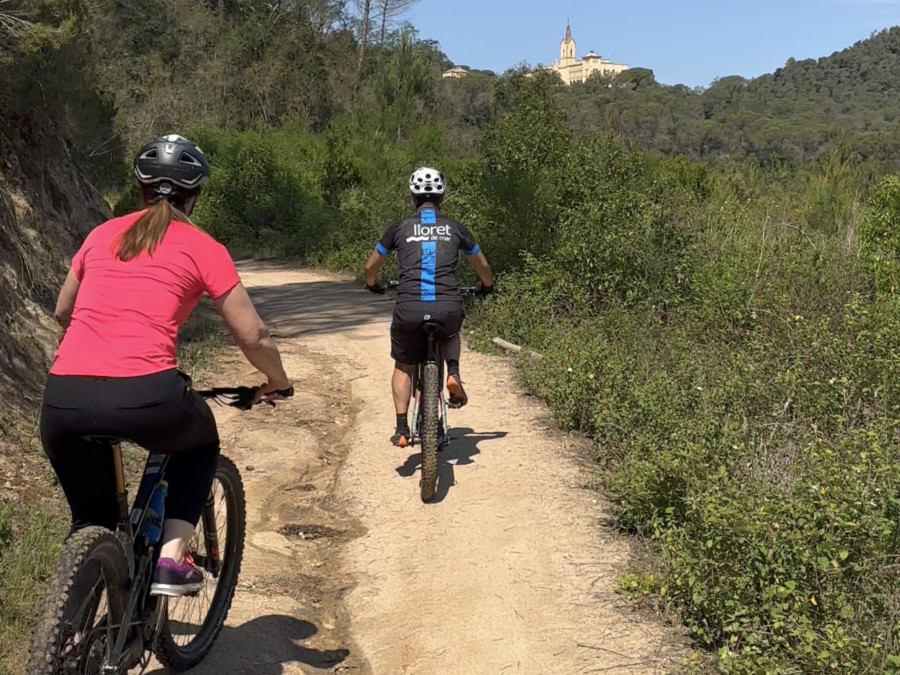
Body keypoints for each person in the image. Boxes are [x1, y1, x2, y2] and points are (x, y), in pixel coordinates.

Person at [41, 134, 292, 596]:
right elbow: (252, 334)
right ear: (193, 195)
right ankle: (171, 560)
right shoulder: (203, 246)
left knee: (91, 523)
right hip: (146, 395)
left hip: (63, 398)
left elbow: (62, 312)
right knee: (201, 439)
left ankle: (74, 634)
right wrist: (275, 380)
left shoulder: (100, 235)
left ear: (139, 188)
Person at [364, 167, 493, 447]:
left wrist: (372, 284)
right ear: (441, 196)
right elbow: (481, 264)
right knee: (451, 331)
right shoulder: (455, 227)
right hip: (447, 305)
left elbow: (371, 265)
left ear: (413, 196)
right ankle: (453, 373)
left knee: (403, 365)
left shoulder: (399, 228)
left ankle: (401, 429)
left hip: (409, 307)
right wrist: (487, 286)